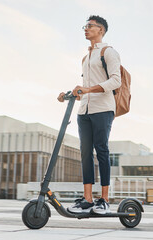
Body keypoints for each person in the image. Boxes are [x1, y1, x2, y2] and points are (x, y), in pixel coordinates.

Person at [57, 15, 121, 214]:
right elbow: (84, 89)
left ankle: (104, 199)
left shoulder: (108, 52)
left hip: (103, 109)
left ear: (100, 30)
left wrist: (88, 90)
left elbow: (115, 81)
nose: (86, 29)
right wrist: (69, 95)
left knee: (101, 150)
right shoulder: (85, 58)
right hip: (84, 110)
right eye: (85, 26)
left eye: (90, 26)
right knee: (85, 153)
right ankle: (87, 199)